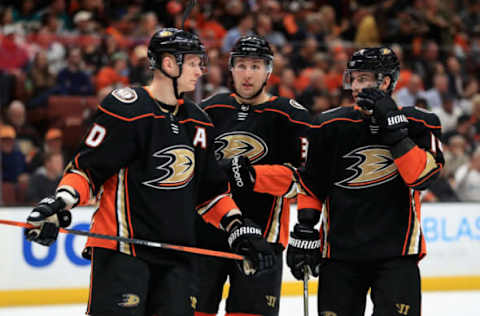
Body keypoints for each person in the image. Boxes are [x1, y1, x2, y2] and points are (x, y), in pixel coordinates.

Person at [24, 28, 276, 316]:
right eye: (193, 62)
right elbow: (87, 170)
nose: (200, 70)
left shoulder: (199, 123)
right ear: (169, 64)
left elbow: (211, 194)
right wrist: (59, 203)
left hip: (179, 258)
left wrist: (238, 228)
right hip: (124, 252)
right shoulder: (127, 109)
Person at [227, 47, 445, 316]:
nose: (355, 86)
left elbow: (421, 178)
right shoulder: (329, 125)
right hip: (340, 256)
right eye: (353, 78)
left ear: (385, 81)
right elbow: (312, 184)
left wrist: (396, 133)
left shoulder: (420, 123)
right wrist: (306, 227)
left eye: (363, 79)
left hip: (396, 255)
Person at [195, 35, 311, 316]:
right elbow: (193, 172)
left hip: (263, 238)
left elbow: (304, 179)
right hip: (206, 234)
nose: (248, 74)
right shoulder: (209, 110)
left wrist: (252, 175)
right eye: (242, 65)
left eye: (256, 66)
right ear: (231, 69)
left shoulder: (291, 115)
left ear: (269, 70)